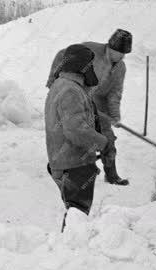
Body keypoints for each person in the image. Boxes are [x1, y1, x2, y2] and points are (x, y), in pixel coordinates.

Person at [47, 29, 133, 185]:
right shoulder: (91, 50)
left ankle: (112, 176)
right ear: (109, 46)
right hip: (76, 95)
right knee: (76, 132)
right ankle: (68, 170)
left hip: (97, 102)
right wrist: (54, 80)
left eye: (124, 54)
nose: (121, 56)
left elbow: (115, 93)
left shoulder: (120, 68)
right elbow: (63, 55)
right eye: (118, 52)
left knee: (108, 138)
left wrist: (114, 116)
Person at [45, 44, 109, 231]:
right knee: (77, 215)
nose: (93, 69)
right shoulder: (71, 91)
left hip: (65, 163)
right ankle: (69, 252)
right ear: (82, 66)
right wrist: (102, 143)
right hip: (74, 165)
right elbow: (76, 131)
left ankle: (68, 250)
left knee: (75, 213)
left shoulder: (61, 85)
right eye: (91, 64)